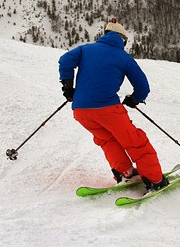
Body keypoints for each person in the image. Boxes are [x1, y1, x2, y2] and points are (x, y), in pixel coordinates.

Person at [58, 18, 168, 191]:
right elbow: (142, 86)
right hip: (107, 108)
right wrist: (134, 99)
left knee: (107, 141)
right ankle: (155, 180)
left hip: (80, 111)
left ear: (105, 35)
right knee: (136, 142)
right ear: (122, 40)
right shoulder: (123, 57)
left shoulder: (85, 49)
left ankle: (126, 173)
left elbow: (65, 60)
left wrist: (68, 88)